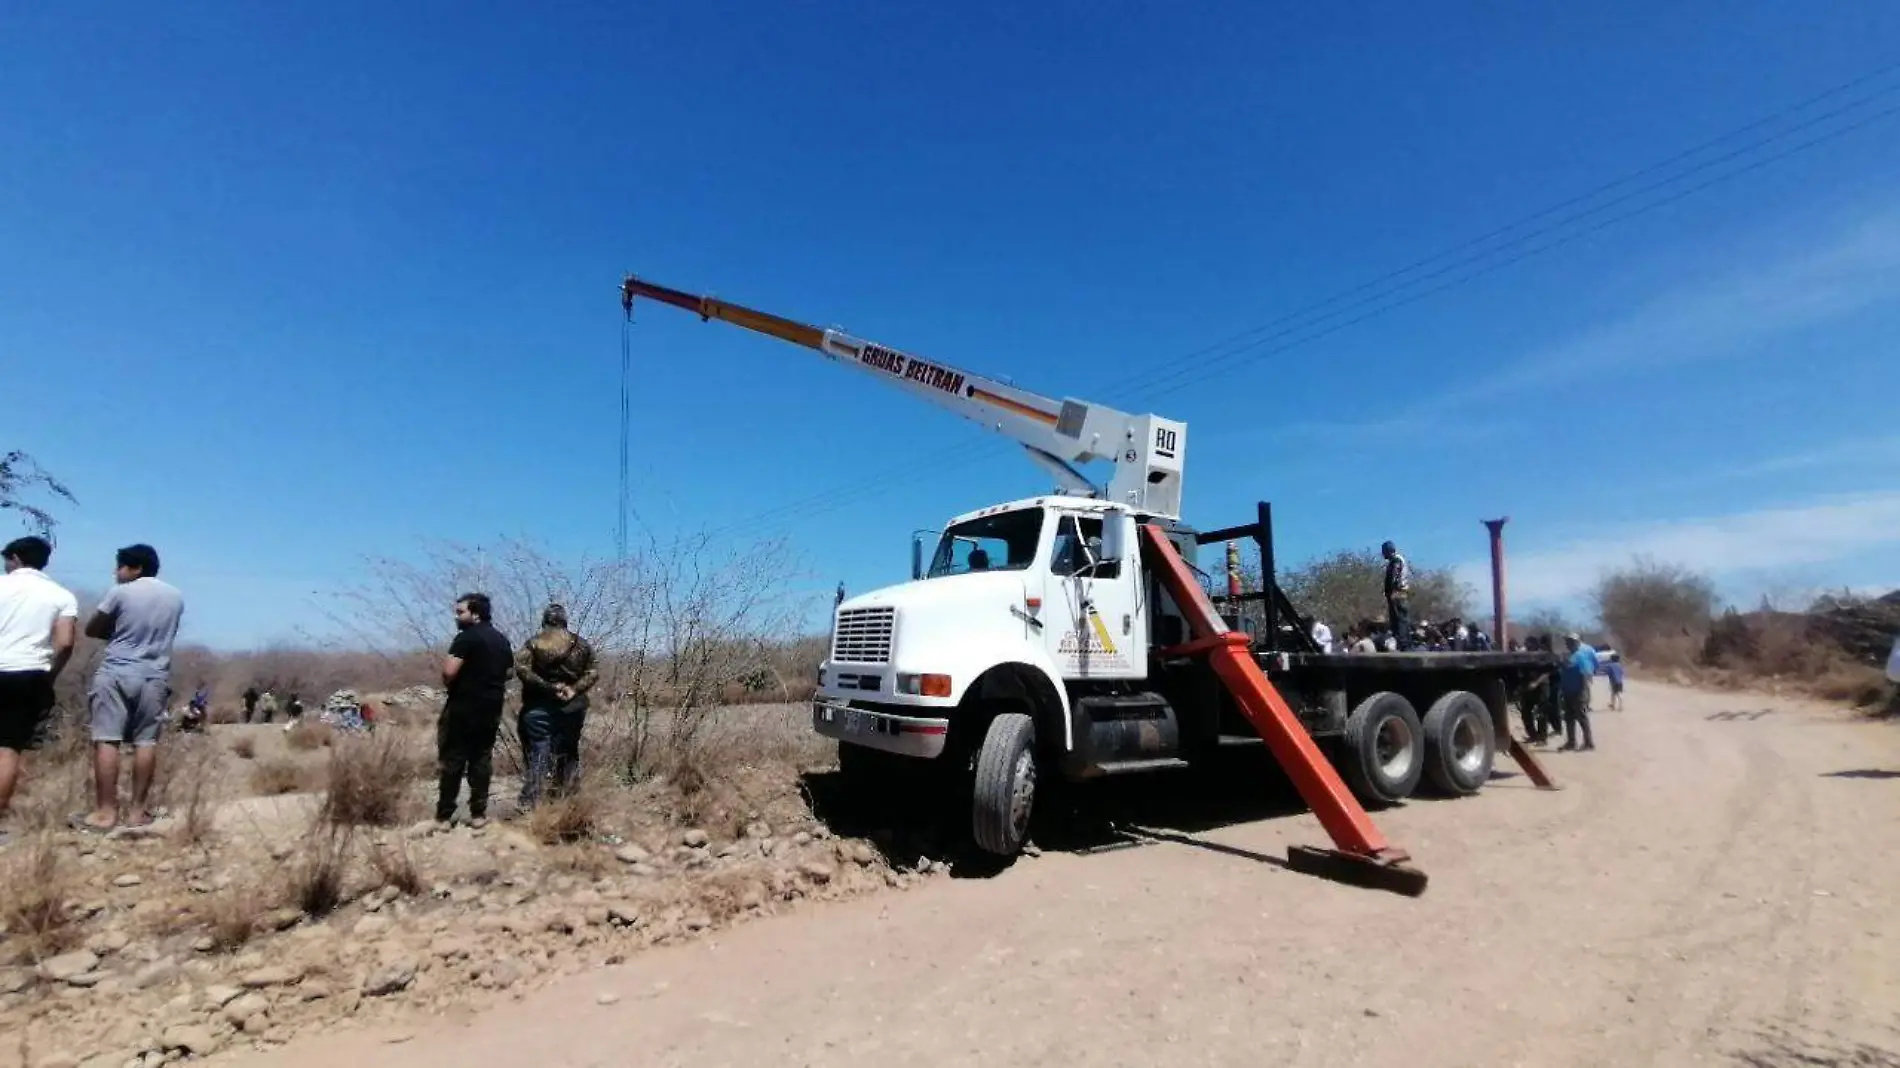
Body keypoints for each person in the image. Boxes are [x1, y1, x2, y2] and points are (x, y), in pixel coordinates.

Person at [78, 543, 185, 832]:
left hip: (117, 670)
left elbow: (93, 627)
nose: (116, 572)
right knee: (145, 741)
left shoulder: (121, 592)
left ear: (135, 568)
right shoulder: (175, 596)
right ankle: (137, 812)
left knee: (107, 739)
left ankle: (105, 813)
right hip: (155, 675)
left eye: (120, 566)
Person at [0, 536, 79, 841]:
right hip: (28, 674)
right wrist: (50, 676)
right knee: (7, 749)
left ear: (16, 559)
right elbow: (65, 642)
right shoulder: (61, 596)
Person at [435, 592, 511, 828]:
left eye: (461, 612)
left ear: (475, 614)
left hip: (463, 707)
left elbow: (449, 671)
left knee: (453, 760)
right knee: (481, 760)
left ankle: (444, 816)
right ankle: (478, 814)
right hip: (490, 708)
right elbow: (509, 671)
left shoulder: (465, 638)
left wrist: (457, 684)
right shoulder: (501, 640)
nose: (456, 617)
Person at [513, 603, 599, 812]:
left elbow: (521, 669)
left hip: (538, 707)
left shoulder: (534, 643)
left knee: (539, 752)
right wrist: (573, 690)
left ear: (545, 620)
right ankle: (568, 801)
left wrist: (549, 687)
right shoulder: (582, 644)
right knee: (569, 752)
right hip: (572, 707)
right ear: (565, 621)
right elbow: (593, 672)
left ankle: (531, 802)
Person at [1559, 632, 1598, 752]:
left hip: (1579, 690)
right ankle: (1571, 742)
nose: (1567, 644)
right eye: (1566, 642)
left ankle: (1589, 742)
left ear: (1576, 642)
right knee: (1569, 716)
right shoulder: (1570, 655)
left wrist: (1583, 691)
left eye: (1570, 642)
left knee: (1581, 716)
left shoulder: (1581, 655)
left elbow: (1586, 673)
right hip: (1568, 689)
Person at [1381, 540, 1412, 650]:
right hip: (1399, 593)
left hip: (1397, 593)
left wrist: (1390, 591)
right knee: (1400, 619)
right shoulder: (1397, 560)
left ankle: (1403, 644)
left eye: (1384, 551)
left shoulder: (1396, 560)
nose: (1382, 554)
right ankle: (1403, 644)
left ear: (1388, 551)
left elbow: (1393, 577)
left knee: (1399, 619)